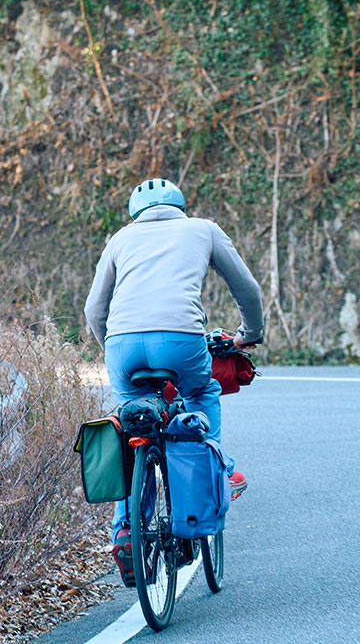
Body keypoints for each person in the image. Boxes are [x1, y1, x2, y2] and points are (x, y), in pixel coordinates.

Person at [83, 177, 264, 583]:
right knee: (202, 391)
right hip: (181, 340)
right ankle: (221, 469)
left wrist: (113, 346)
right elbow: (247, 290)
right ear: (180, 206)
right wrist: (248, 334)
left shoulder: (119, 239)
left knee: (134, 424)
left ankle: (126, 532)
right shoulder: (203, 229)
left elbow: (95, 309)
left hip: (122, 346)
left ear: (136, 213)